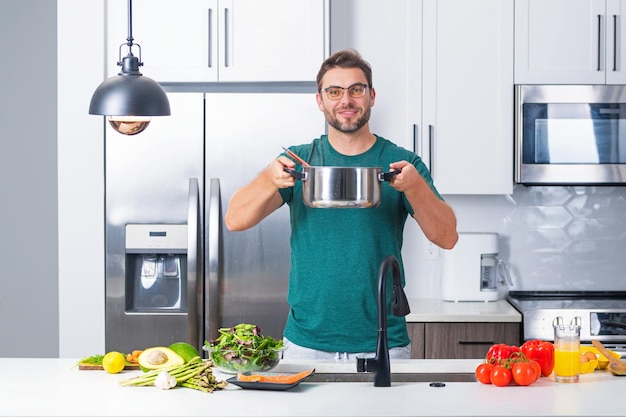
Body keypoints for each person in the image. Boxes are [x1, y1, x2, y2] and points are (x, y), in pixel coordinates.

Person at [224, 49, 458, 360]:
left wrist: (415, 187)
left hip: (384, 343)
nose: (345, 100)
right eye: (334, 91)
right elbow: (234, 220)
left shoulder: (402, 164)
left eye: (356, 90)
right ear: (320, 100)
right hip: (305, 345)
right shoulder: (299, 161)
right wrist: (268, 179)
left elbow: (447, 237)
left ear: (371, 96)